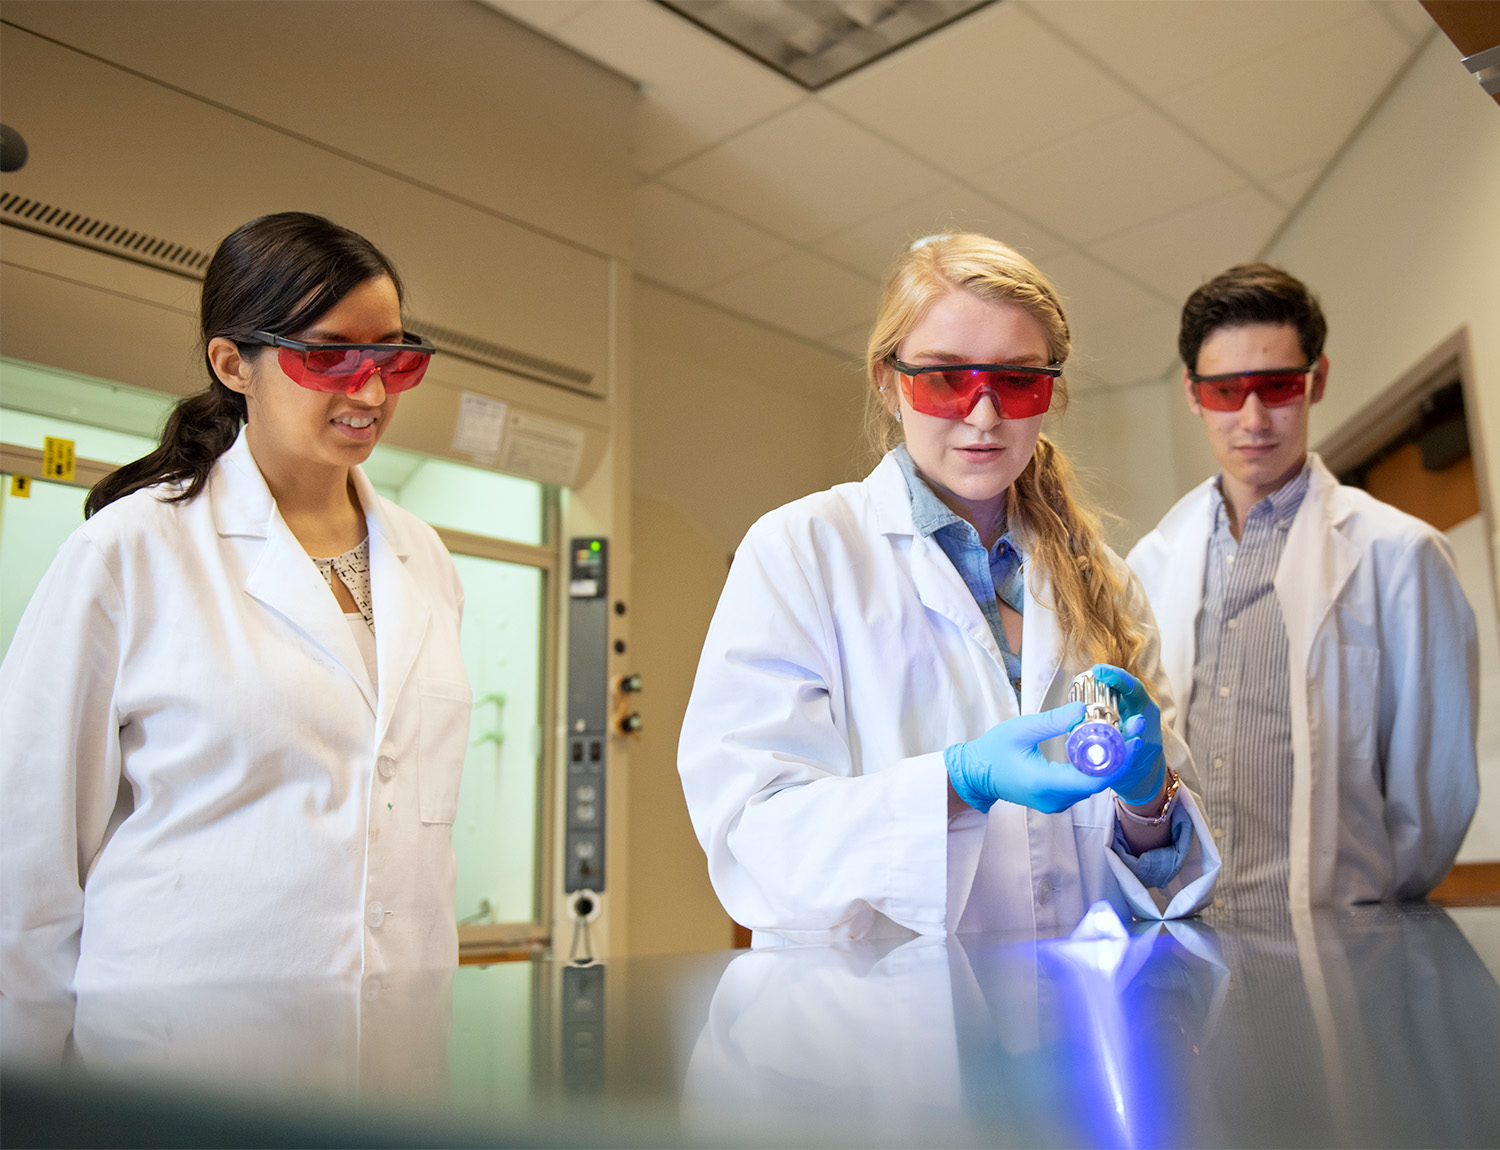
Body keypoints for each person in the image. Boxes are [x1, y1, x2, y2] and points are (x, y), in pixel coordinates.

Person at [678, 233, 1219, 945]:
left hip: (1081, 1025)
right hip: (884, 1031)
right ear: (887, 381)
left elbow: (1164, 888)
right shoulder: (801, 552)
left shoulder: (1106, 579)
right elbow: (753, 840)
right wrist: (956, 785)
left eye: (1018, 380)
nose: (985, 414)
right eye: (944, 378)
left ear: (1049, 392)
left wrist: (1150, 801)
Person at [0, 212, 472, 997]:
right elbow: (26, 843)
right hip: (176, 1045)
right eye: (329, 356)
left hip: (393, 1042)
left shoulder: (425, 560)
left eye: (392, 356)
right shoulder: (130, 551)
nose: (371, 388)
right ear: (232, 363)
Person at [1127, 262, 1478, 915]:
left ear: (1317, 382)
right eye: (1227, 392)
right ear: (1192, 393)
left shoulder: (1401, 556)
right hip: (1194, 935)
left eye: (1279, 386)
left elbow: (1435, 799)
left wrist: (1362, 912)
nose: (1254, 418)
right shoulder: (1150, 564)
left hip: (1344, 941)